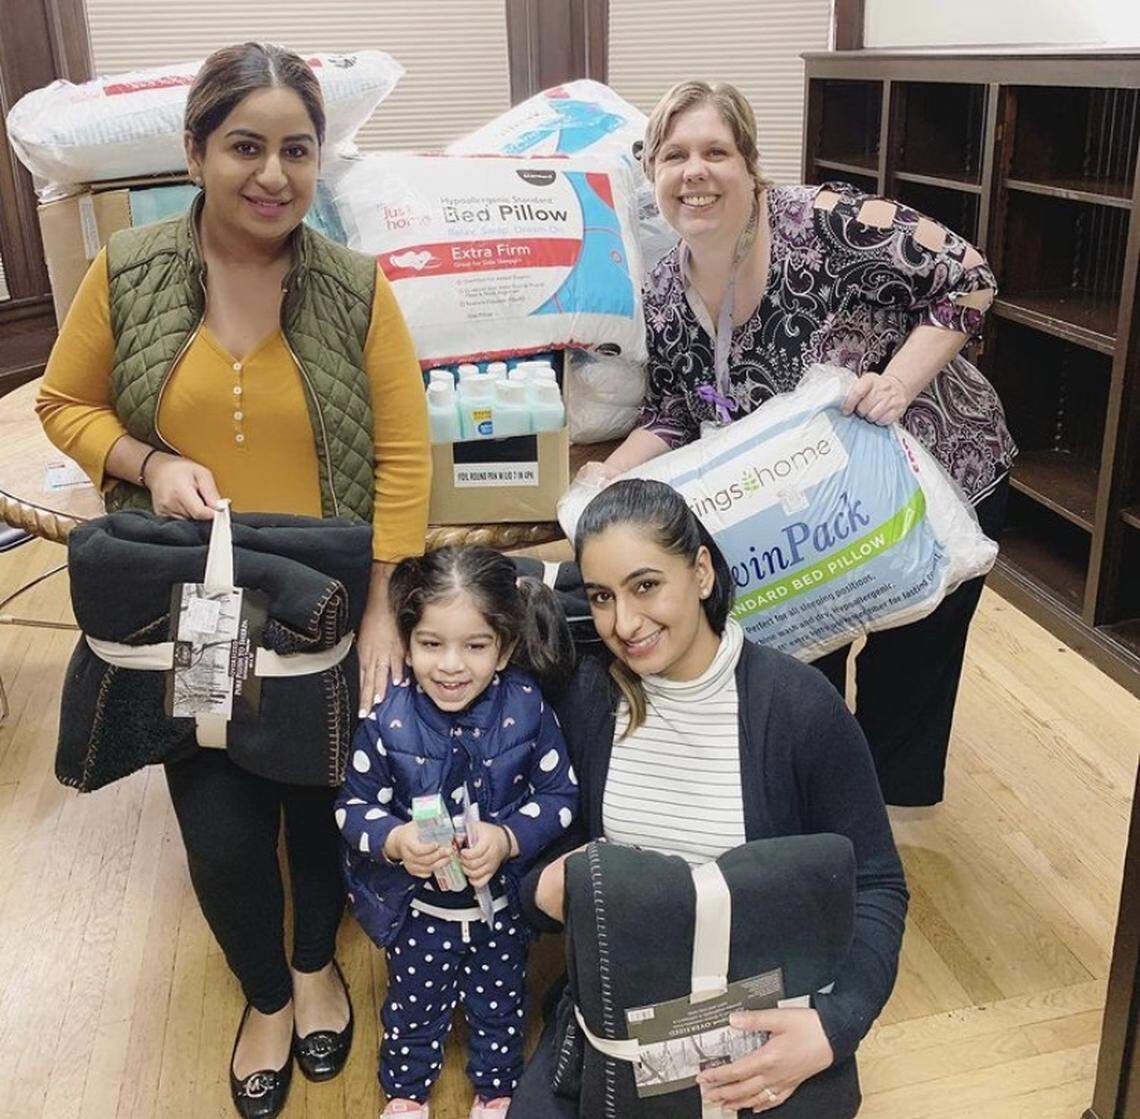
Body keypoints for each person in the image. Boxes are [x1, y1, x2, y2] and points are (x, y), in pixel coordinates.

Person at [35, 42, 431, 1119]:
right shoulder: (128, 273)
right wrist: (150, 462)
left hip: (322, 594)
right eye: (245, 147)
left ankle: (313, 970)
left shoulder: (354, 290)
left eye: (296, 150)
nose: (273, 175)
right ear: (197, 151)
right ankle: (262, 991)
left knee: (315, 798)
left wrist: (388, 602)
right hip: (203, 597)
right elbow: (64, 405)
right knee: (216, 807)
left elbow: (402, 456)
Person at [588, 80, 1016, 807]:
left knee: (906, 675)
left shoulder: (825, 223)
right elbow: (675, 410)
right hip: (809, 513)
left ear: (750, 164)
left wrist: (899, 383)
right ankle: (828, 812)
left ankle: (889, 844)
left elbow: (968, 276)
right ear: (652, 175)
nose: (695, 172)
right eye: (675, 155)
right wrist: (610, 471)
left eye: (716, 152)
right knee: (802, 665)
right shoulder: (663, 292)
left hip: (935, 478)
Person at [508, 479, 908, 1117]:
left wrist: (835, 1026)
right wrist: (542, 891)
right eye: (602, 598)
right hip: (621, 1015)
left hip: (764, 1021)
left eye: (646, 586)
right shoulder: (587, 702)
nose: (625, 624)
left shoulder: (800, 708)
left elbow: (879, 884)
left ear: (699, 572)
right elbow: (536, 865)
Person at [337, 546, 579, 1119]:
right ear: (406, 640)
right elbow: (352, 808)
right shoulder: (384, 714)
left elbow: (561, 798)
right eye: (431, 644)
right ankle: (405, 1091)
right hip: (418, 911)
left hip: (501, 909)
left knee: (501, 1003)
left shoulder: (528, 708)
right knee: (413, 1007)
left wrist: (507, 837)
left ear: (506, 648)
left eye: (475, 646)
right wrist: (396, 841)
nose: (451, 665)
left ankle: (496, 1090)